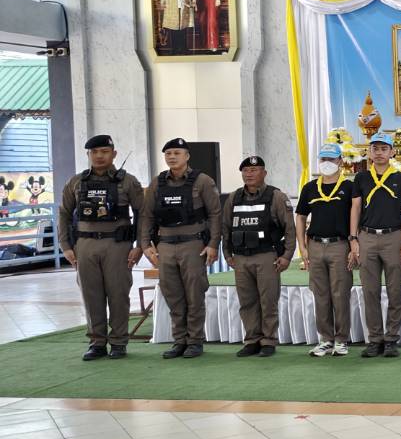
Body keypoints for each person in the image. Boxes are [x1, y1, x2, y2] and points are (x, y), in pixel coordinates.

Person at [58, 134, 145, 360]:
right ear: (88, 154)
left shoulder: (128, 182)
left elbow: (143, 214)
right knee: (91, 296)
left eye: (104, 152)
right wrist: (65, 246)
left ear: (113, 154)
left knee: (118, 294)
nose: (99, 156)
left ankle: (118, 342)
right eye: (94, 152)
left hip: (117, 245)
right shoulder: (76, 182)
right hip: (85, 245)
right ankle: (97, 342)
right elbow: (64, 214)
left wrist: (140, 246)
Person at [141, 138, 221, 359]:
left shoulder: (202, 181)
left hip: (193, 244)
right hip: (165, 245)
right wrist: (145, 244)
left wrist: (213, 244)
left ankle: (195, 341)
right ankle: (179, 341)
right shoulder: (158, 183)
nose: (172, 157)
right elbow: (147, 216)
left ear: (187, 156)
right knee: (172, 294)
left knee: (194, 294)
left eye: (177, 153)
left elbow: (215, 214)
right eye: (168, 154)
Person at [223, 155, 294, 358]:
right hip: (241, 258)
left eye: (254, 170)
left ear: (264, 173)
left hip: (266, 256)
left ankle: (268, 341)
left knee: (268, 301)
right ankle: (252, 340)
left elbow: (289, 229)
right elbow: (225, 228)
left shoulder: (276, 197)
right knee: (247, 302)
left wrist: (287, 256)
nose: (249, 174)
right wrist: (227, 254)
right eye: (245, 171)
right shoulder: (234, 198)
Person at [294, 142, 361, 357]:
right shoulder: (310, 187)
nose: (327, 163)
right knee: (320, 294)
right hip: (315, 245)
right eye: (323, 159)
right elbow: (300, 217)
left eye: (331, 159)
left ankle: (341, 339)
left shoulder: (349, 187)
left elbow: (356, 216)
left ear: (340, 161)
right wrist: (302, 247)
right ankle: (325, 339)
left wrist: (353, 244)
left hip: (339, 245)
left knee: (340, 294)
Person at [353, 132, 401, 357]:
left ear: (392, 152)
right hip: (367, 237)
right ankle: (375, 339)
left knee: (395, 290)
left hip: (393, 237)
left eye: (383, 148)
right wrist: (353, 238)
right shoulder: (361, 178)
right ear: (369, 152)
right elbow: (355, 208)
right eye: (375, 149)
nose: (379, 153)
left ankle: (391, 339)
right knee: (370, 291)